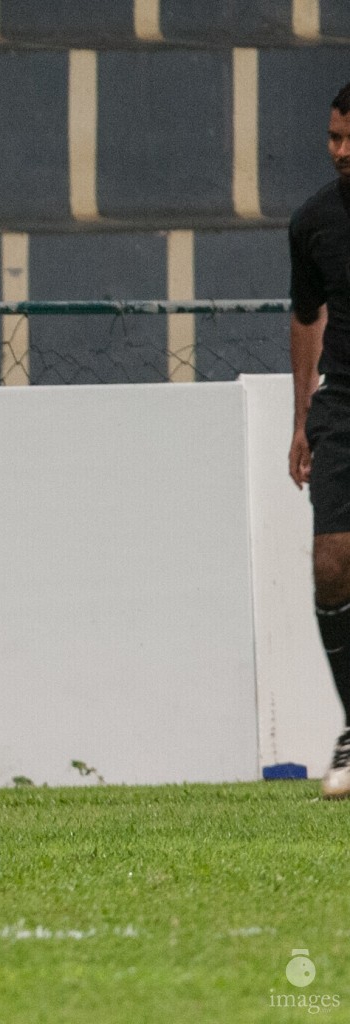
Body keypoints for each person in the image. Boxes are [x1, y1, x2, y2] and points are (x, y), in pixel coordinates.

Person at [289, 81, 350, 798]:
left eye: (347, 140)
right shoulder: (312, 223)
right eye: (332, 139)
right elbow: (305, 315)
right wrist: (300, 419)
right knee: (331, 563)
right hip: (343, 404)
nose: (338, 152)